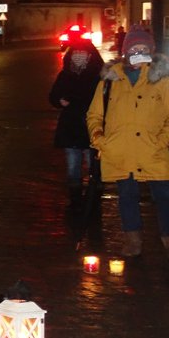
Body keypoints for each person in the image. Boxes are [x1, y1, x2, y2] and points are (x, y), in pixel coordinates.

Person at [86, 25, 169, 261]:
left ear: (150, 50)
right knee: (127, 197)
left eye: (143, 48)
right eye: (134, 48)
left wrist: (162, 140)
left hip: (153, 151)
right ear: (126, 51)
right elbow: (94, 115)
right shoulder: (110, 81)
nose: (138, 52)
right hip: (120, 151)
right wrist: (99, 139)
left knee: (166, 198)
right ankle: (133, 241)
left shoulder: (162, 80)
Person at [49, 42, 104, 215]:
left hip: (91, 127)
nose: (79, 56)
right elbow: (53, 96)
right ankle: (75, 200)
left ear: (90, 56)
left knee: (93, 166)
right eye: (76, 53)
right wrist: (59, 101)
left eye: (83, 53)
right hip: (71, 127)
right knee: (73, 167)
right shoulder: (65, 75)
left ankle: (93, 200)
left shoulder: (98, 76)